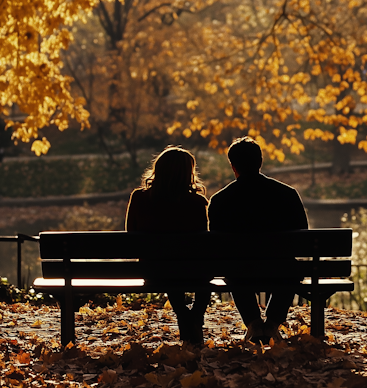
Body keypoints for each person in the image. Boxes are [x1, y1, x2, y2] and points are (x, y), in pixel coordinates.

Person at [208, 137, 309, 343]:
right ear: (260, 162)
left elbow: (216, 244)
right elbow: (303, 235)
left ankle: (254, 323)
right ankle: (271, 324)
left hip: (239, 270)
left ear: (233, 166)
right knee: (290, 270)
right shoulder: (287, 194)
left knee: (233, 269)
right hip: (281, 268)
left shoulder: (220, 200)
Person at [125, 146, 210, 344]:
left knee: (167, 265)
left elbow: (130, 237)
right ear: (189, 173)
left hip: (153, 271)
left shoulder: (139, 198)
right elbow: (203, 243)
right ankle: (195, 316)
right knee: (193, 268)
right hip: (192, 271)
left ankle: (183, 314)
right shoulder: (197, 202)